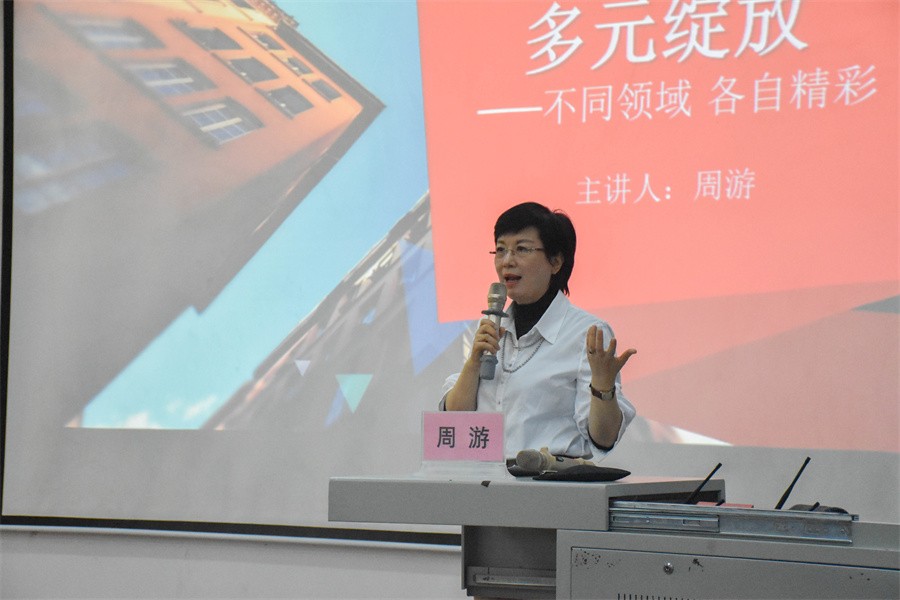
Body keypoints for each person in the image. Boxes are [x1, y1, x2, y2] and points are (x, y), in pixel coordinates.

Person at [441, 202, 636, 461]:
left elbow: (603, 438)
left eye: (522, 249)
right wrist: (473, 364)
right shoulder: (491, 327)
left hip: (548, 481)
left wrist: (603, 387)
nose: (507, 261)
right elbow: (454, 422)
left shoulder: (586, 333)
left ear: (555, 262)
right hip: (483, 478)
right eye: (500, 250)